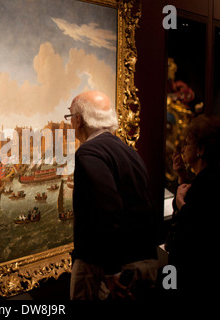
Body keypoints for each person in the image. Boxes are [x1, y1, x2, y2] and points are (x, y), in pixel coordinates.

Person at [67, 91, 158, 300]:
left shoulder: (88, 152)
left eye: (70, 116)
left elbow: (107, 210)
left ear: (79, 120)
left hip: (105, 268)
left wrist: (111, 270)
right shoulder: (129, 152)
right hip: (143, 260)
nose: (71, 123)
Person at [169, 115, 220, 299]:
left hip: (196, 273)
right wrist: (182, 177)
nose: (183, 148)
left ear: (200, 149)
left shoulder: (209, 181)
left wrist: (182, 205)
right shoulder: (211, 177)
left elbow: (200, 227)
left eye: (187, 143)